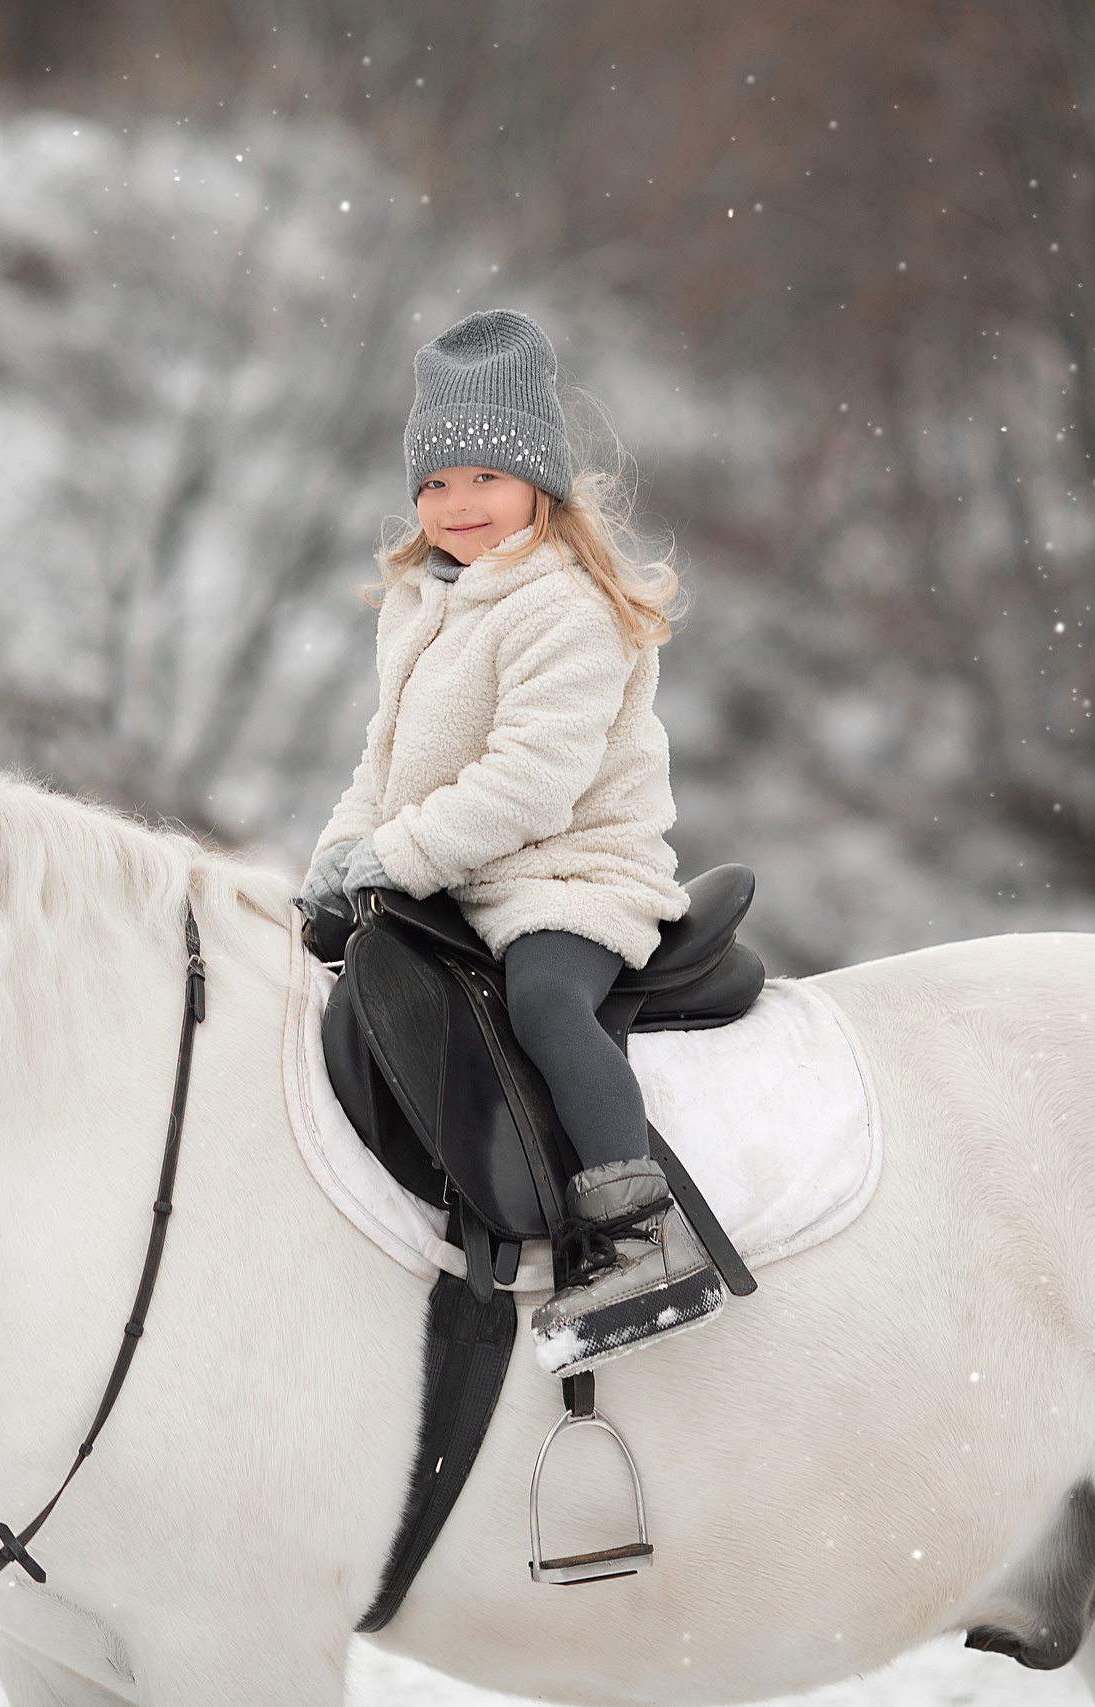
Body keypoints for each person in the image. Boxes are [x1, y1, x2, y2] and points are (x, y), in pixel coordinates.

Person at [299, 309, 722, 1376]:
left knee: (539, 999)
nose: (457, 505)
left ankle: (639, 1227)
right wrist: (338, 857)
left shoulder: (563, 610)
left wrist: (398, 858)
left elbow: (531, 782)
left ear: (540, 481)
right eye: (434, 485)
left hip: (567, 872)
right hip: (457, 872)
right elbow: (381, 764)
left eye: (484, 478)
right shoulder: (421, 605)